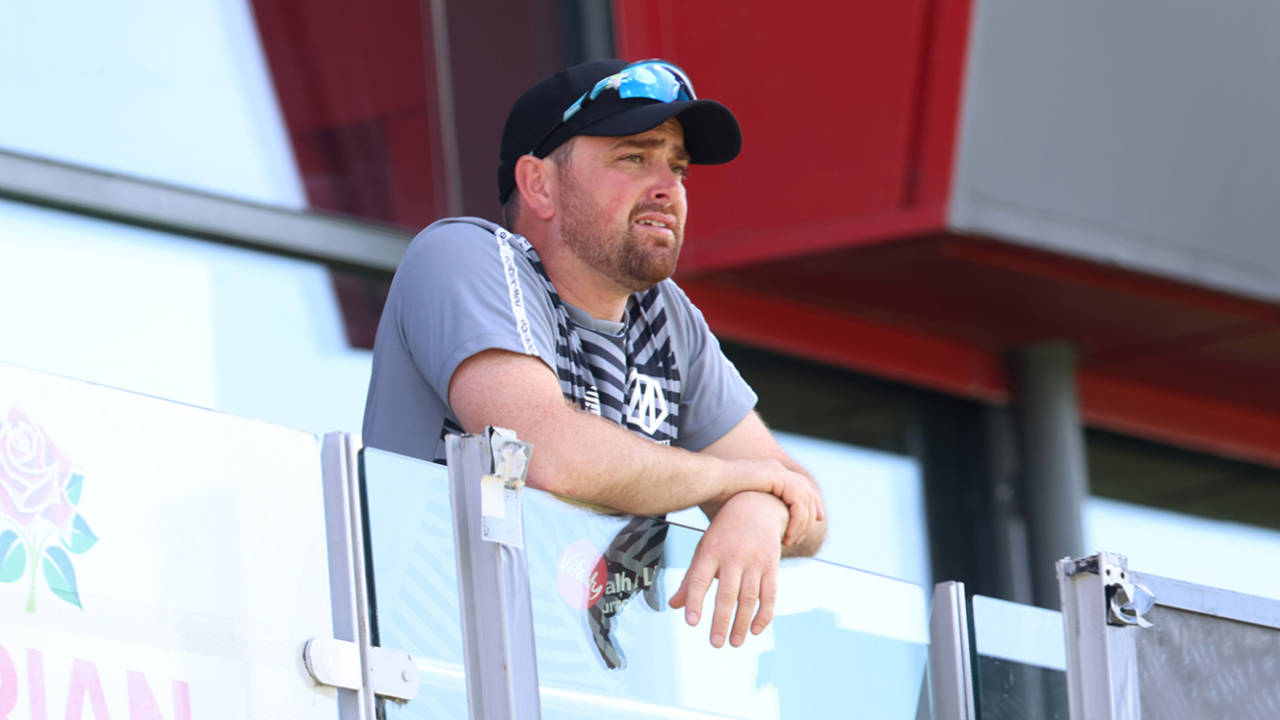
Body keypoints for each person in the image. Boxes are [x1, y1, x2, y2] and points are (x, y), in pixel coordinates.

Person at [363, 59, 826, 649]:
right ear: (539, 185)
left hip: (591, 685)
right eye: (633, 158)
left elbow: (806, 510)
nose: (668, 189)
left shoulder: (666, 315)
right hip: (436, 674)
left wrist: (758, 508)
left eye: (677, 167)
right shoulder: (462, 255)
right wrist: (735, 481)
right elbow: (546, 455)